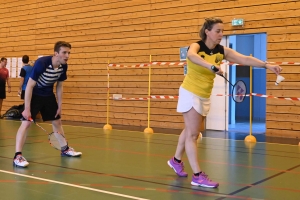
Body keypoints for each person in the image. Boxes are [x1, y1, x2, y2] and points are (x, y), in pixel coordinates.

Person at [167, 17, 282, 188]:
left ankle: (176, 160)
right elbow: (191, 56)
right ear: (207, 32)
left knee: (191, 129)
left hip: (204, 94)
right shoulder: (197, 46)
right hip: (190, 92)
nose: (221, 34)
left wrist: (267, 65)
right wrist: (210, 66)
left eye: (222, 31)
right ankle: (197, 176)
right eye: (217, 31)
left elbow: (244, 59)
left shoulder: (222, 51)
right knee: (193, 134)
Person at [13, 41, 82, 168]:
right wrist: (27, 108)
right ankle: (17, 156)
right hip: (35, 94)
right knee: (26, 122)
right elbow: (29, 86)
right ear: (56, 53)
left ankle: (65, 149)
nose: (67, 56)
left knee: (57, 122)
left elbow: (59, 86)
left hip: (48, 95)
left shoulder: (63, 66)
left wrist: (60, 106)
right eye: (64, 53)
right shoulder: (42, 63)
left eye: (69, 53)